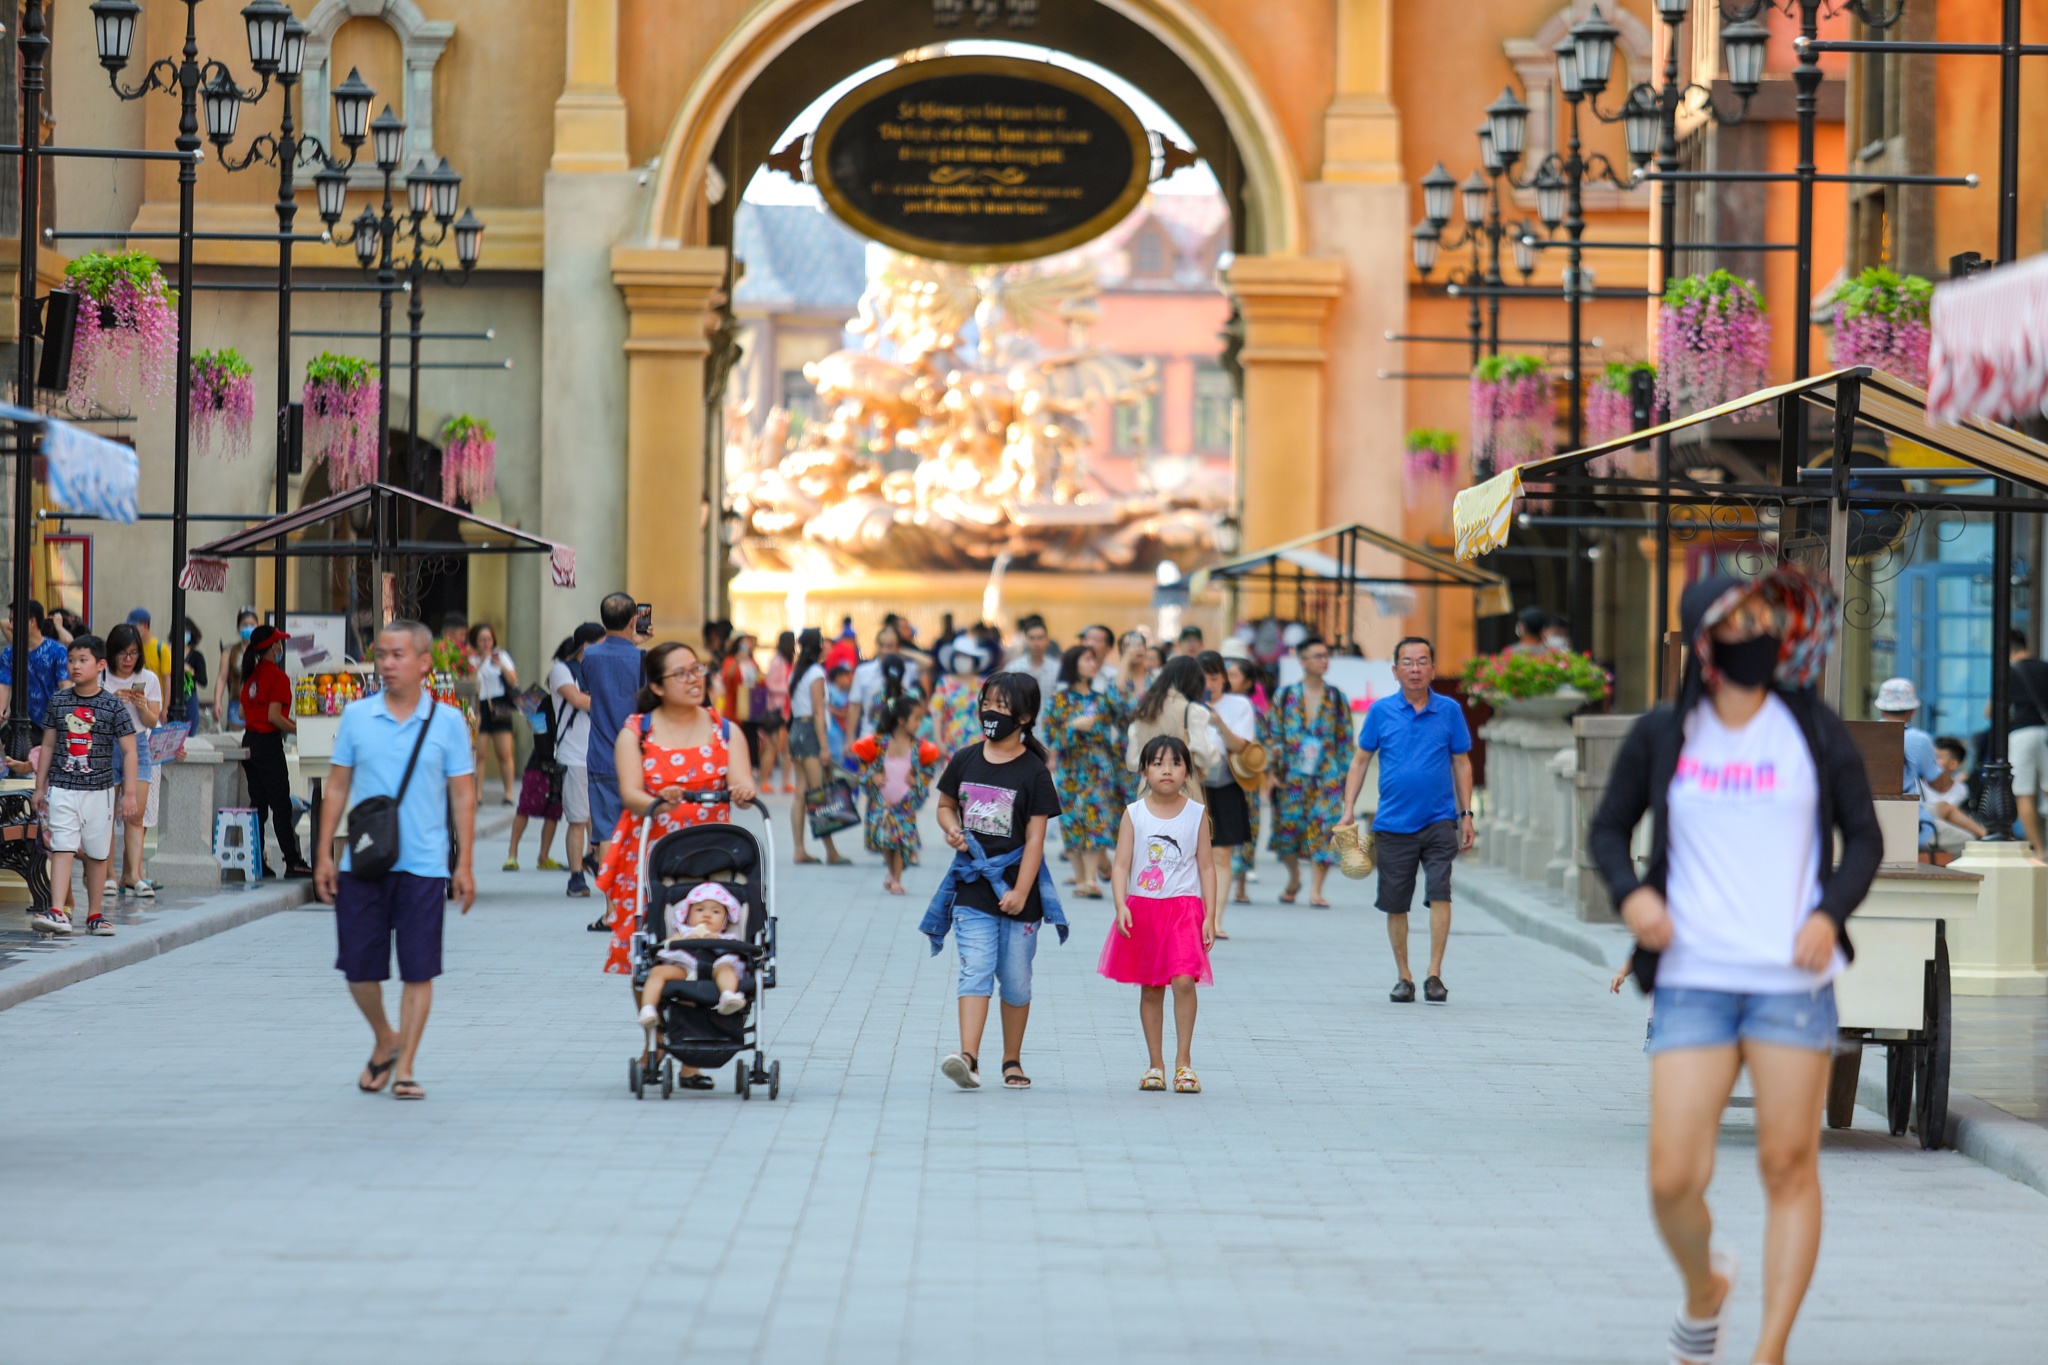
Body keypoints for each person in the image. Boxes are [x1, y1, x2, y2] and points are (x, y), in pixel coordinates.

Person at [1588, 567, 1880, 1365]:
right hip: (1693, 979)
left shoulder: (1812, 727)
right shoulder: (1664, 732)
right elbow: (1608, 831)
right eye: (1735, 619)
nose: (1753, 629)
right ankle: (1701, 1287)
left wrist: (1828, 914)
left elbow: (1865, 839)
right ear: (1705, 638)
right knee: (1672, 1175)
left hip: (1793, 984)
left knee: (1789, 1164)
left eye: (1762, 616)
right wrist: (1630, 899)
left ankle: (1770, 1350)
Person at [314, 619, 478, 1102]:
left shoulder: (448, 722)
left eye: (397, 655)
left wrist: (464, 863)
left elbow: (464, 797)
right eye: (381, 654)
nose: (386, 663)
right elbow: (337, 786)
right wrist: (325, 853)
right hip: (364, 863)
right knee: (359, 970)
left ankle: (405, 1067)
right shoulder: (357, 717)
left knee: (418, 969)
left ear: (424, 663)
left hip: (424, 864)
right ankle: (386, 1036)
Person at [596, 641, 757, 1087]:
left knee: (705, 949)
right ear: (656, 686)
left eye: (697, 670)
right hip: (651, 854)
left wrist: (742, 790)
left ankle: (688, 1056)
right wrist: (655, 800)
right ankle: (656, 1045)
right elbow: (630, 791)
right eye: (681, 673)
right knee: (648, 949)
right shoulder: (638, 732)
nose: (694, 679)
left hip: (711, 862)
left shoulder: (726, 730)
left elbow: (742, 779)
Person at [924, 672, 1066, 1091]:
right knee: (976, 968)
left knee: (1017, 979)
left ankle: (1012, 1059)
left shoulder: (1034, 771)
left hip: (1018, 888)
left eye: (1002, 707)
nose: (991, 713)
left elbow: (1037, 839)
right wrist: (951, 828)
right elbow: (946, 806)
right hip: (971, 884)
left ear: (1024, 717)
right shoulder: (966, 758)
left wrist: (1022, 891)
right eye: (987, 703)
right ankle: (968, 1057)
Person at [1339, 637, 1473, 1004]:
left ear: (1433, 668)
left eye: (1422, 661)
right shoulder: (1381, 712)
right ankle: (1404, 976)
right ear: (1395, 670)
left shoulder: (1449, 711)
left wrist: (1466, 815)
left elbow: (1461, 762)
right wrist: (1349, 808)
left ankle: (1434, 974)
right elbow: (1360, 761)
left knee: (1439, 891)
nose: (1415, 669)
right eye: (1407, 662)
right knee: (1395, 902)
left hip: (1440, 820)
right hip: (1393, 823)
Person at [1102, 734, 1216, 1094]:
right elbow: (1120, 865)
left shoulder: (1197, 814)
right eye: (1158, 763)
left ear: (1187, 772)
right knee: (1151, 987)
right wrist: (1121, 904)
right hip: (1144, 909)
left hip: (1183, 908)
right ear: (1144, 771)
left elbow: (1207, 868)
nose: (1167, 770)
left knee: (1184, 980)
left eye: (1175, 763)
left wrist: (1210, 915)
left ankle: (1184, 1063)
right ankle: (1156, 1065)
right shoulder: (1134, 814)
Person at [28, 635, 138, 937]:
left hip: (100, 791)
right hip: (62, 787)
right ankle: (57, 911)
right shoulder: (59, 700)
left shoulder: (112, 705)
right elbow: (48, 746)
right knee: (62, 846)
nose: (75, 666)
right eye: (71, 660)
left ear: (101, 665)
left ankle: (95, 914)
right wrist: (41, 788)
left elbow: (129, 750)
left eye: (83, 660)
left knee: (97, 853)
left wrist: (128, 793)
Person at [1269, 635, 1351, 909]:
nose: (1323, 660)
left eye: (1326, 655)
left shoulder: (1336, 697)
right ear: (1302, 661)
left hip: (1327, 774)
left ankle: (1316, 889)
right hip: (1292, 773)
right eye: (1317, 655)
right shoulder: (1285, 696)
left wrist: (1345, 777)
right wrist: (1274, 762)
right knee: (1287, 831)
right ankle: (1294, 877)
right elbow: (1273, 733)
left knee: (1325, 827)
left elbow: (1345, 739)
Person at [1041, 643, 1128, 899]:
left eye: (1094, 660)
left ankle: (1090, 879)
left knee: (1095, 817)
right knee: (1071, 821)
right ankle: (1081, 879)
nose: (1093, 664)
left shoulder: (1101, 700)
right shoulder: (1059, 700)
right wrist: (1072, 726)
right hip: (1070, 768)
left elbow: (1119, 721)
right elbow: (1052, 738)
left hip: (1097, 767)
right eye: (1087, 660)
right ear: (1073, 664)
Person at [582, 591, 651, 910]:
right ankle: (635, 900)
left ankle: (611, 908)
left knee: (605, 832)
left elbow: (588, 688)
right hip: (636, 756)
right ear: (634, 619)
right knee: (640, 829)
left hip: (599, 754)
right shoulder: (641, 659)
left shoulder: (591, 656)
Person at [238, 624, 313, 879]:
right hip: (268, 745)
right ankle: (293, 862)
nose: (281, 647)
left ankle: (257, 862)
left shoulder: (251, 675)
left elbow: (241, 713)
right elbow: (274, 716)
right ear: (273, 648)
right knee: (281, 805)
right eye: (279, 643)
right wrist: (298, 730)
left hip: (249, 743)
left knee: (258, 805)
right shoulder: (277, 677)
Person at [849, 694, 942, 894]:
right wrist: (872, 776)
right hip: (882, 803)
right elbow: (863, 765)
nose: (920, 723)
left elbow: (928, 770)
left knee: (901, 842)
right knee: (886, 841)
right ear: (901, 720)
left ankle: (897, 878)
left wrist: (917, 780)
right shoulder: (879, 743)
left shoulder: (919, 747)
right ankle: (891, 871)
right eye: (916, 718)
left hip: (905, 803)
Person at [1196, 651, 1255, 939]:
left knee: (1222, 854)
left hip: (1226, 783)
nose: (1210, 683)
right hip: (1193, 784)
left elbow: (1241, 746)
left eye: (1215, 677)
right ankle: (1193, 917)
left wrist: (1218, 722)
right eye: (1204, 678)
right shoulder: (1185, 704)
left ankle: (1216, 919)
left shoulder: (1240, 704)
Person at [636, 881, 750, 1027]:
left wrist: (717, 941)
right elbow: (663, 946)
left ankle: (727, 995)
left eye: (716, 912)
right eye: (699, 910)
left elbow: (738, 951)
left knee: (726, 969)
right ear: (687, 916)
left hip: (716, 968)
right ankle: (648, 1008)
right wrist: (684, 939)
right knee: (658, 971)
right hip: (685, 969)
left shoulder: (726, 937)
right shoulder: (683, 932)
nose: (707, 915)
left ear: (725, 923)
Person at [104, 623, 163, 900]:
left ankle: (135, 875)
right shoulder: (102, 677)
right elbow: (93, 716)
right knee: (105, 815)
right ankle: (109, 876)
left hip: (138, 743)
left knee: (135, 814)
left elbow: (153, 720)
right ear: (112, 653)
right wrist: (112, 701)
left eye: (134, 653)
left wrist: (141, 705)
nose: (128, 660)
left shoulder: (149, 678)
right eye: (123, 654)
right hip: (107, 745)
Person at [787, 627, 850, 867]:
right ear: (819, 646)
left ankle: (799, 849)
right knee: (817, 795)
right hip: (810, 733)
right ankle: (831, 851)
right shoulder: (815, 673)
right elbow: (817, 711)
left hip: (796, 731)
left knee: (801, 792)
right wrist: (824, 747)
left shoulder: (798, 671)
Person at [549, 623, 603, 898]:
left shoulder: (598, 670)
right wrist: (611, 702)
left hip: (600, 754)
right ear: (587, 646)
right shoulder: (562, 670)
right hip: (574, 754)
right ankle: (576, 877)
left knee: (599, 819)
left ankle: (592, 858)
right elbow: (578, 700)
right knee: (579, 819)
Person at [1125, 655, 1223, 801]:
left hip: (1148, 791)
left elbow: (1133, 763)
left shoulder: (1144, 709)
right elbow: (1204, 755)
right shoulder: (1192, 710)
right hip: (1182, 790)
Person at [504, 671, 564, 873]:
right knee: (525, 808)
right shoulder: (545, 703)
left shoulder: (572, 702)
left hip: (562, 763)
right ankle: (512, 854)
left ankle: (543, 856)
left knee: (554, 812)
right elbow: (539, 735)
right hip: (539, 764)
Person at [1873, 677, 1942, 852]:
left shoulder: (1865, 735)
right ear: (1912, 710)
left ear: (1881, 708)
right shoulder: (1919, 740)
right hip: (1910, 820)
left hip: (1871, 816)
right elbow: (1937, 783)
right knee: (1965, 839)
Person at [1223, 653, 1266, 906]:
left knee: (1248, 827)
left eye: (1234, 675)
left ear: (1248, 683)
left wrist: (1267, 775)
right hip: (1221, 775)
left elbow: (1264, 745)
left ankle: (1240, 884)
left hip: (1247, 777)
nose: (1228, 679)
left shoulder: (1256, 712)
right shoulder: (1218, 706)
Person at [2004, 629, 2048, 849]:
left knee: (2024, 794)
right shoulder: (2044, 667)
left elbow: (1991, 711)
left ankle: (2040, 851)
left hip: (2022, 733)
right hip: (2046, 733)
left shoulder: (2008, 672)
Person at [0, 599, 70, 738]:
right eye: (11, 621)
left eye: (15, 621)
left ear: (32, 622)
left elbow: (65, 687)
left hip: (52, 727)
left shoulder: (57, 651)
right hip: (20, 726)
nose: (12, 626)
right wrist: (1, 710)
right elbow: (4, 686)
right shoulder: (9, 653)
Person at [468, 623, 519, 807]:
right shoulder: (471, 659)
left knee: (504, 752)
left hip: (499, 704)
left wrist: (500, 666)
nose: (486, 643)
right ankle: (478, 794)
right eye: (482, 640)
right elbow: (469, 681)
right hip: (479, 705)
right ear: (476, 641)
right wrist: (480, 663)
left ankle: (509, 793)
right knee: (479, 752)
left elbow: (513, 681)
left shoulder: (501, 656)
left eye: (489, 639)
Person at [1922, 736, 1985, 863]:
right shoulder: (1917, 785)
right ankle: (1987, 836)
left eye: (1938, 758)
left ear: (1954, 764)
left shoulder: (1964, 791)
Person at [929, 636, 985, 758]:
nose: (962, 660)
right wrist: (938, 741)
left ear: (974, 660)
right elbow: (936, 713)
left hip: (979, 744)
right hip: (951, 743)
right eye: (959, 656)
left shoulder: (983, 684)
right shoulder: (945, 683)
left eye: (966, 656)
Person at [849, 622, 906, 737]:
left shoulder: (907, 670)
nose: (884, 650)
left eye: (890, 646)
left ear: (898, 647)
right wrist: (849, 738)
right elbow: (854, 706)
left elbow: (928, 663)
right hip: (869, 736)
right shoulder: (863, 671)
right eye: (881, 645)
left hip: (898, 740)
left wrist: (902, 654)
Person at [762, 630, 796, 794]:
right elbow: (770, 684)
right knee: (772, 746)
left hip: (786, 710)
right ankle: (764, 780)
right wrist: (788, 689)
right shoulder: (777, 662)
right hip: (776, 710)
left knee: (786, 748)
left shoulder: (785, 662)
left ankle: (786, 781)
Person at [214, 608, 259, 730]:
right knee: (237, 740)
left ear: (257, 626)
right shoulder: (230, 651)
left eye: (252, 624)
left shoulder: (263, 651)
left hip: (258, 703)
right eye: (245, 625)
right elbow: (221, 678)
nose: (248, 627)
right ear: (238, 627)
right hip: (236, 701)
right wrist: (217, 701)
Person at [1002, 614, 1063, 699]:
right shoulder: (1013, 668)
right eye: (1031, 638)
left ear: (1047, 640)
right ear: (1025, 640)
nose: (1036, 643)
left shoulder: (1057, 669)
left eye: (1040, 638)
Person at [178, 619, 207, 731]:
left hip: (189, 695)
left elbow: (203, 681)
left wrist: (191, 671)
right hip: (173, 695)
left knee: (190, 730)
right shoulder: (169, 653)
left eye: (187, 632)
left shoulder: (197, 656)